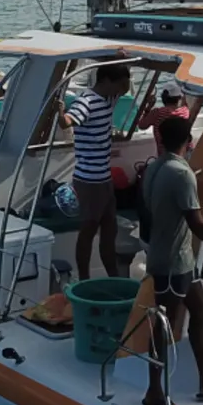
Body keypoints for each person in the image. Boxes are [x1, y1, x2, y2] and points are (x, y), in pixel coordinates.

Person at [139, 114, 203, 405]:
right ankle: (154, 392)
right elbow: (196, 222)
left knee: (199, 311)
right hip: (173, 263)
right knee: (165, 325)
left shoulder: (152, 169)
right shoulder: (182, 174)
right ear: (189, 141)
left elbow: (147, 214)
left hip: (174, 257)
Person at [62, 63, 132, 279]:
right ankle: (84, 278)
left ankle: (112, 275)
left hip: (104, 179)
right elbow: (68, 122)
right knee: (89, 230)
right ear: (107, 81)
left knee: (109, 231)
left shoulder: (108, 99)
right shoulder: (87, 101)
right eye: (121, 85)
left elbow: (115, 73)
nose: (124, 90)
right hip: (89, 180)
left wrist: (120, 58)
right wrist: (58, 110)